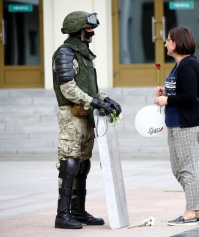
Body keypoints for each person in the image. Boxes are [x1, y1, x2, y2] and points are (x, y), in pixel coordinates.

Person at [52, 11, 122, 229]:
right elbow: (68, 88)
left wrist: (105, 100)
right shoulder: (65, 54)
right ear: (77, 31)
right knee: (70, 162)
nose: (91, 34)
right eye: (88, 30)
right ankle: (62, 214)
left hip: (86, 116)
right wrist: (93, 102)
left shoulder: (83, 54)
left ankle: (78, 211)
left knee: (82, 164)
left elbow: (91, 89)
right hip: (72, 116)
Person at [154, 26, 199, 226]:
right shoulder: (180, 65)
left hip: (187, 124)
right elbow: (183, 93)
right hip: (176, 123)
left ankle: (189, 213)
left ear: (177, 43)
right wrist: (166, 94)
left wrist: (166, 101)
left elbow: (190, 97)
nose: (166, 43)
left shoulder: (187, 65)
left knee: (187, 170)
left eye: (168, 40)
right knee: (179, 169)